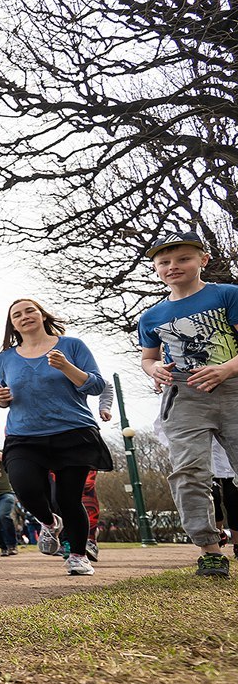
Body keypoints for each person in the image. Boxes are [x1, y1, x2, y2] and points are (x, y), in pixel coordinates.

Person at [138, 230, 238, 578]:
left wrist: (225, 369)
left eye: (183, 258)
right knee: (188, 472)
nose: (173, 266)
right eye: (164, 261)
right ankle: (209, 549)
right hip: (185, 395)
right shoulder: (151, 316)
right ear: (155, 268)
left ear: (203, 260)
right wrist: (156, 370)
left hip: (233, 387)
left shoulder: (227, 295)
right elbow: (148, 357)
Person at [0, 298, 111, 576]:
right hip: (24, 435)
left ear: (42, 315)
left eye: (30, 310)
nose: (25, 317)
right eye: (17, 315)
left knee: (70, 499)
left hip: (72, 432)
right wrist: (0, 399)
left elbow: (96, 385)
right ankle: (48, 522)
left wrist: (66, 367)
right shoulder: (5, 358)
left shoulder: (71, 346)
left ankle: (78, 555)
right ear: (12, 324)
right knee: (25, 487)